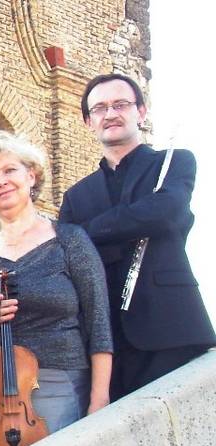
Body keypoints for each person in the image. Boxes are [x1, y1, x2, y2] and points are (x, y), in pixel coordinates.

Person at [0, 131, 113, 446]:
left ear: (31, 176)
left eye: (9, 171)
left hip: (57, 387)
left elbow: (99, 325)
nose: (1, 182)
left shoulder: (69, 241)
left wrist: (99, 401)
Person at [60, 73, 215, 401]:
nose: (110, 113)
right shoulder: (76, 195)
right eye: (99, 108)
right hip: (106, 338)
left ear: (141, 112)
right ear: (88, 121)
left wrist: (91, 232)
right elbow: (68, 251)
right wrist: (136, 221)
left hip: (171, 325)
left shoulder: (174, 162)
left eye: (121, 104)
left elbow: (167, 212)